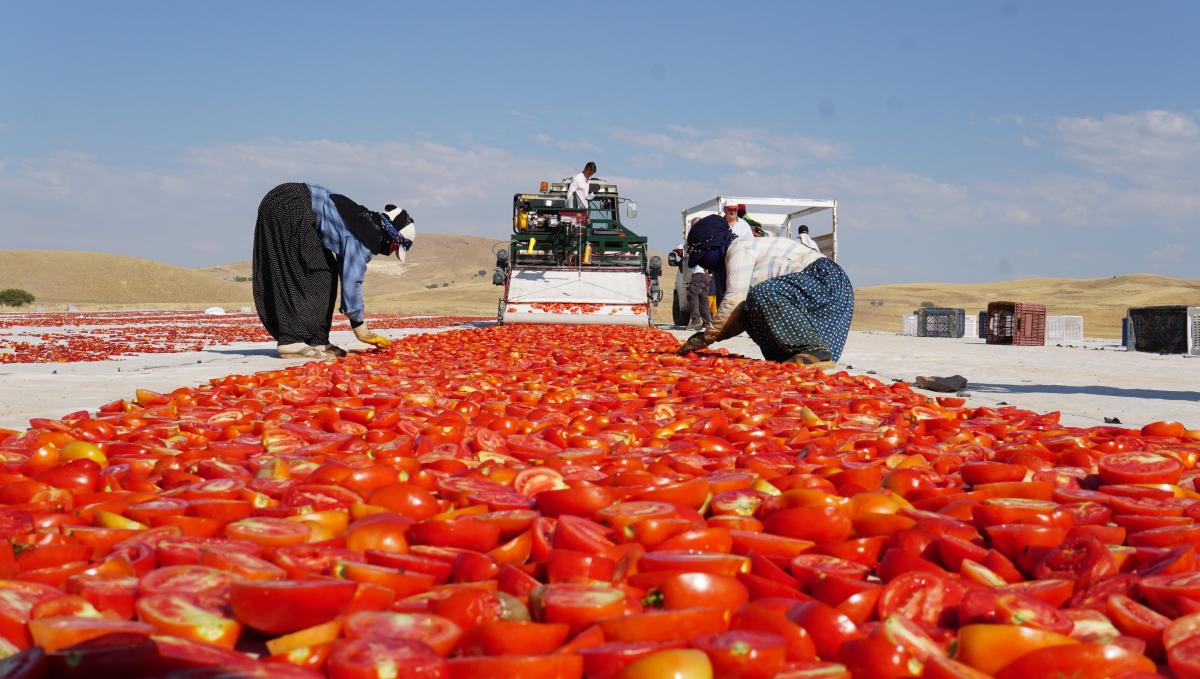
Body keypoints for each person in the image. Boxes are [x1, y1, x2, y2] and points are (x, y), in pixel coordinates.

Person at [252, 182, 415, 359]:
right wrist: (361, 329)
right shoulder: (366, 237)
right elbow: (352, 281)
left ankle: (317, 339)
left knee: (325, 273)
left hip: (291, 202)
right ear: (391, 236)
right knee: (303, 272)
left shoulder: (366, 222)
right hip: (291, 204)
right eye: (394, 248)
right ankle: (291, 340)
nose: (391, 252)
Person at [677, 214, 853, 367]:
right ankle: (793, 356)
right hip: (823, 288)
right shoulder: (733, 255)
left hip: (824, 280)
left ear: (714, 245)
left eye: (703, 257)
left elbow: (734, 300)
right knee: (749, 309)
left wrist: (707, 337)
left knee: (761, 294)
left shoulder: (738, 249)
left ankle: (814, 352)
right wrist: (712, 335)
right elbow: (738, 315)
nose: (703, 265)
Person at [676, 218, 713, 330]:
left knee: (692, 295)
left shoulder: (699, 236)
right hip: (705, 274)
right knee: (703, 298)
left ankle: (696, 320)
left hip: (699, 272)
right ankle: (707, 322)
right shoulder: (707, 236)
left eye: (693, 225)